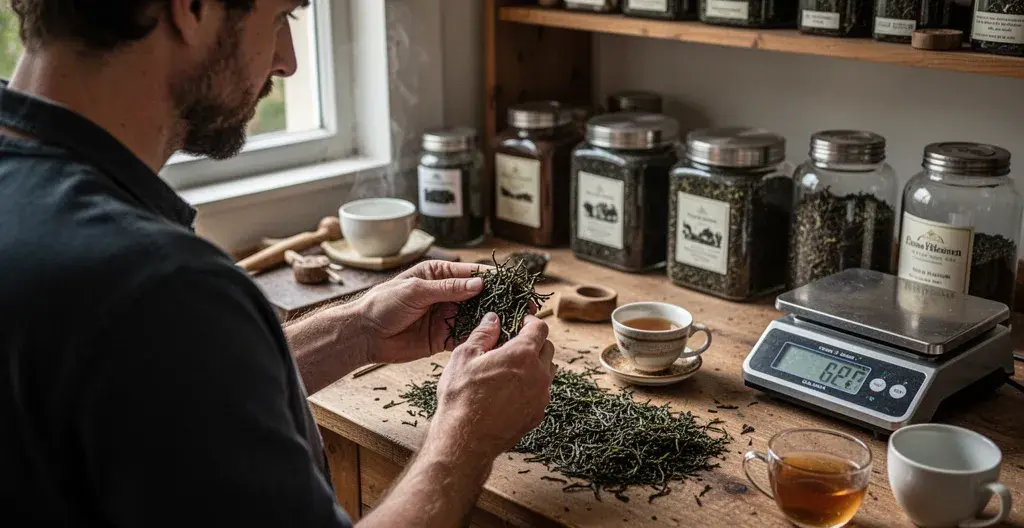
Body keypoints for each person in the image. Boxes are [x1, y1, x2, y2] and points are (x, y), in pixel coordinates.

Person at [0, 1, 555, 526]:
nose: (287, 61)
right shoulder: (159, 287)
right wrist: (465, 435)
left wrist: (357, 329)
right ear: (192, 8)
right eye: (280, 17)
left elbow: (163, 397)